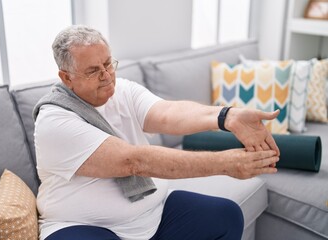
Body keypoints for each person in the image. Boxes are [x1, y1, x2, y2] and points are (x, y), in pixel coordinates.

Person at [33, 25, 280, 240]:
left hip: (152, 214)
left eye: (108, 63)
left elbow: (167, 113)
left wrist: (228, 116)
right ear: (66, 78)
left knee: (226, 216)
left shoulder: (123, 91)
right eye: (93, 71)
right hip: (82, 226)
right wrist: (224, 164)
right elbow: (132, 161)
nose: (106, 76)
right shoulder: (54, 120)